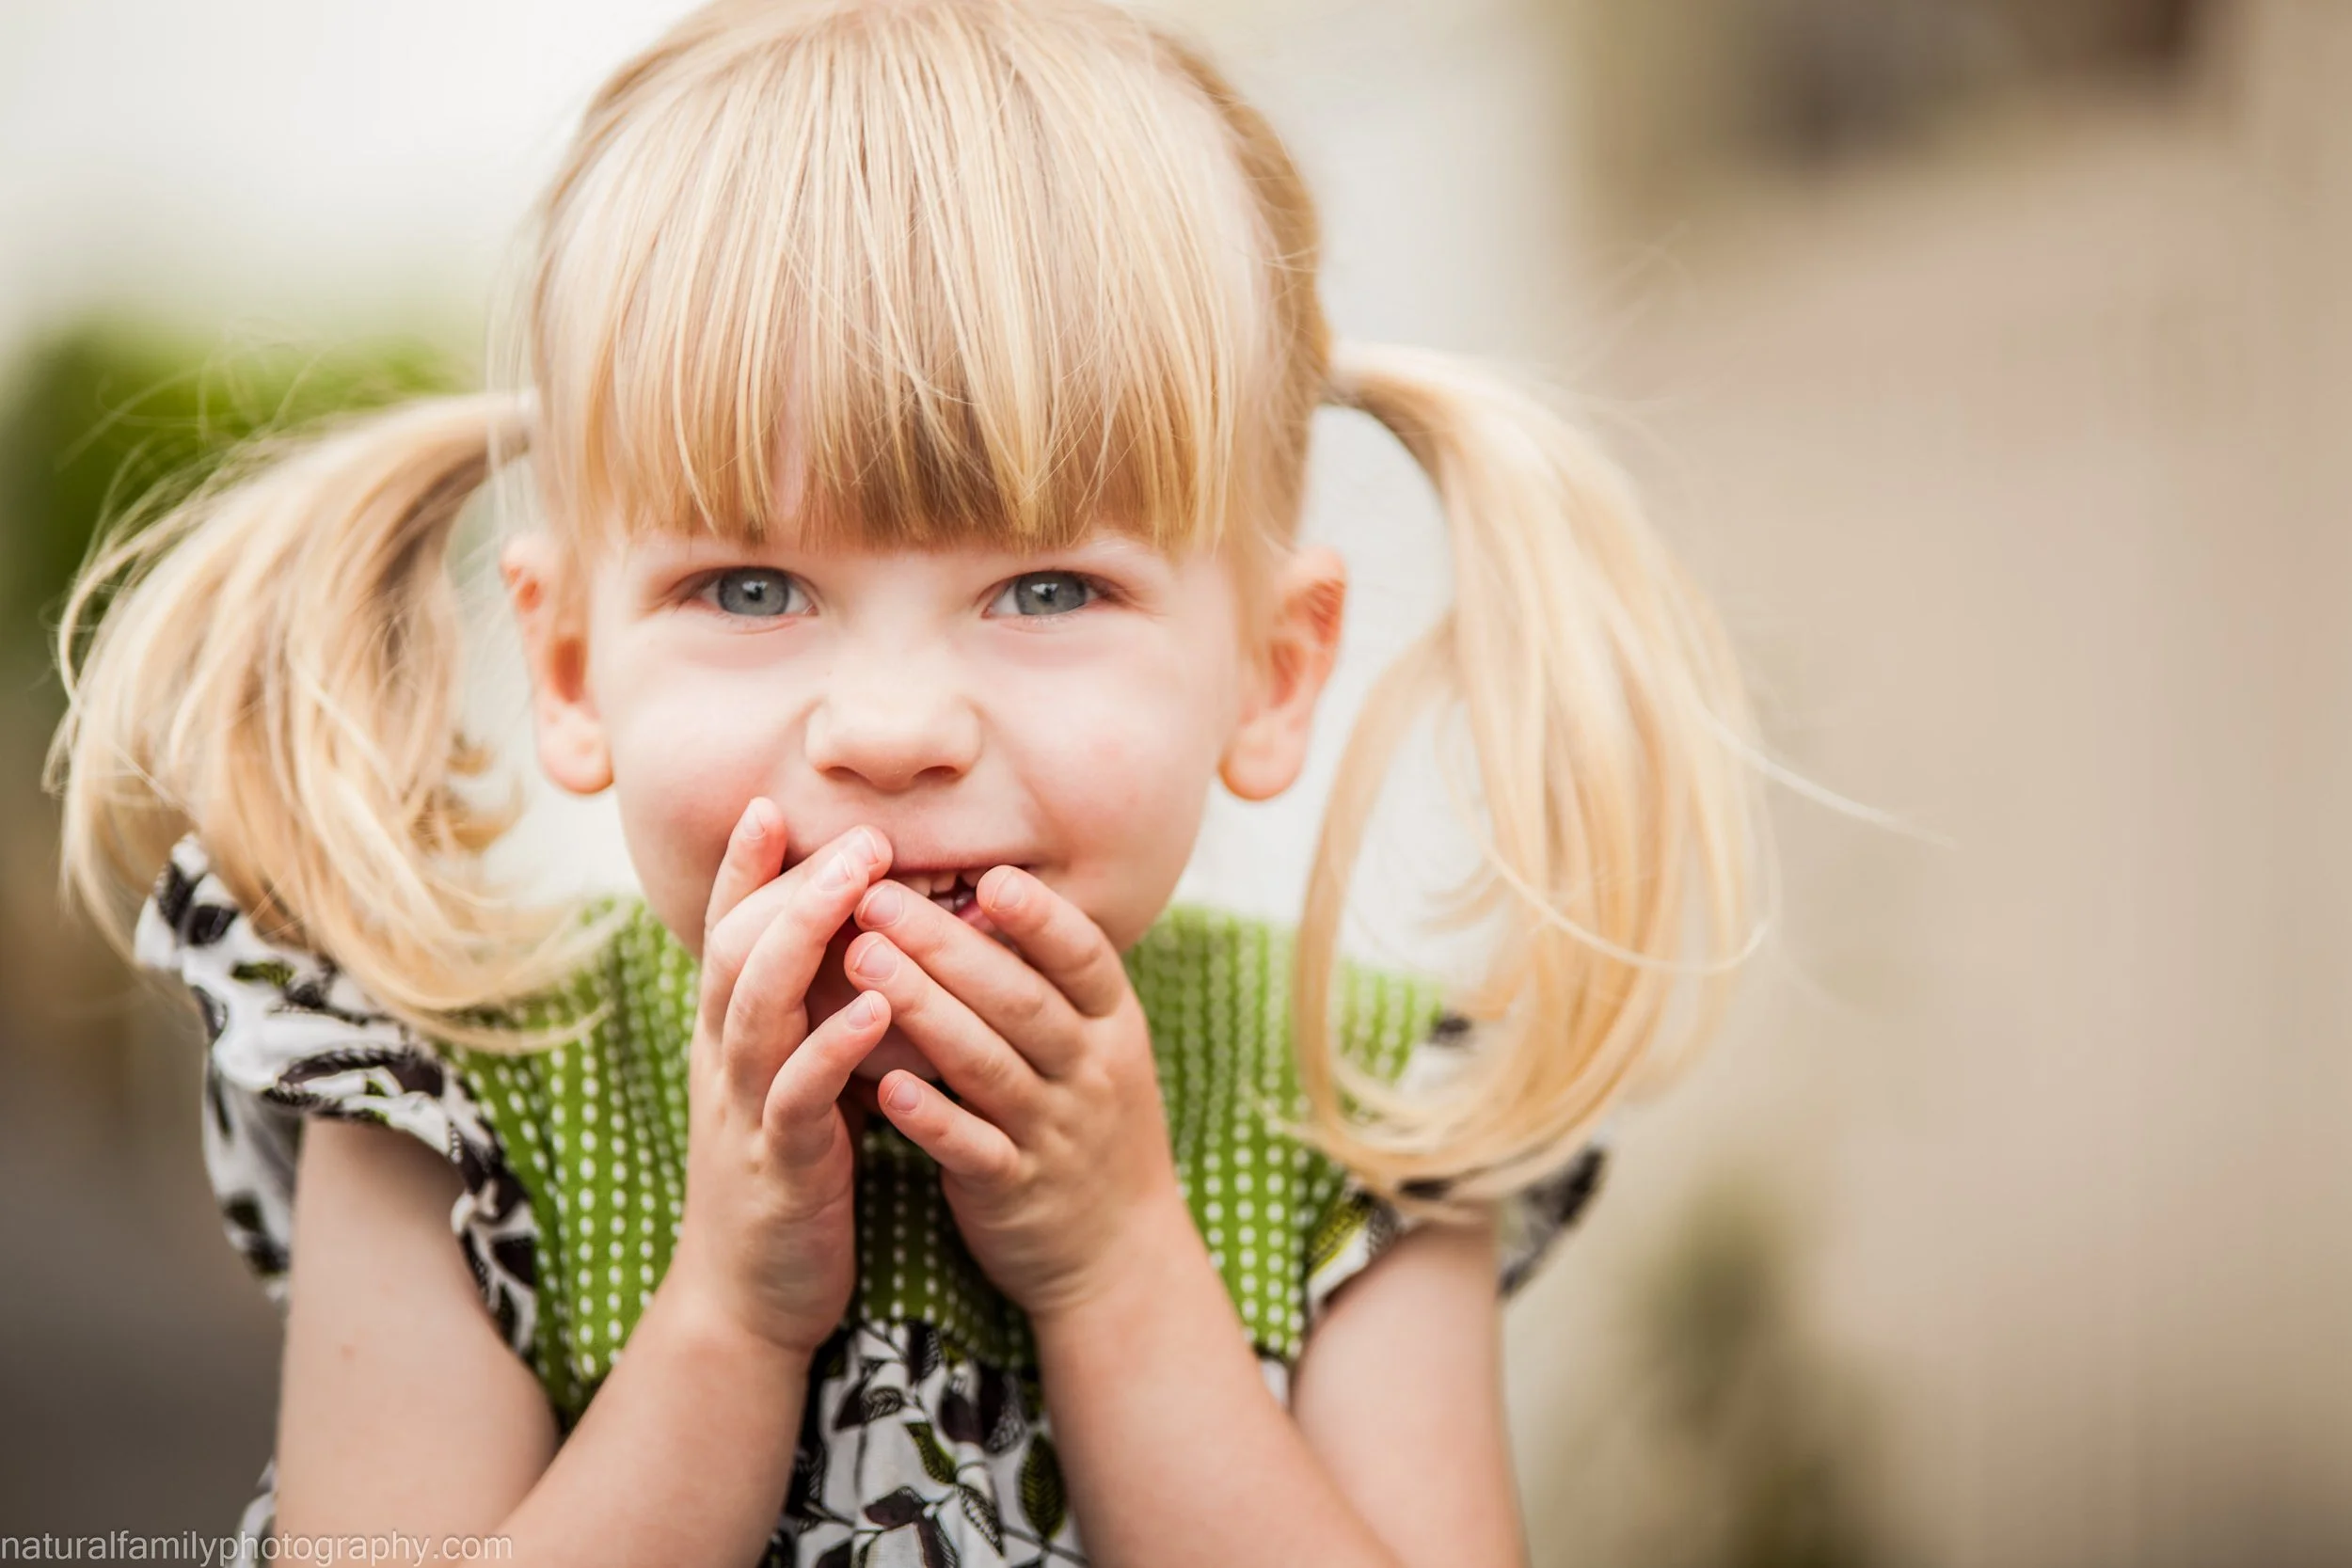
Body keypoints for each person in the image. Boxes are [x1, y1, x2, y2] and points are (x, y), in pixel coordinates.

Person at [47, 1, 1768, 1563]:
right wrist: (728, 1310)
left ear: (1272, 671)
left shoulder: (1350, 1116)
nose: (890, 726)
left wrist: (1116, 1266)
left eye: (1047, 589)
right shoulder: (453, 1090)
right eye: (747, 587)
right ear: (570, 664)